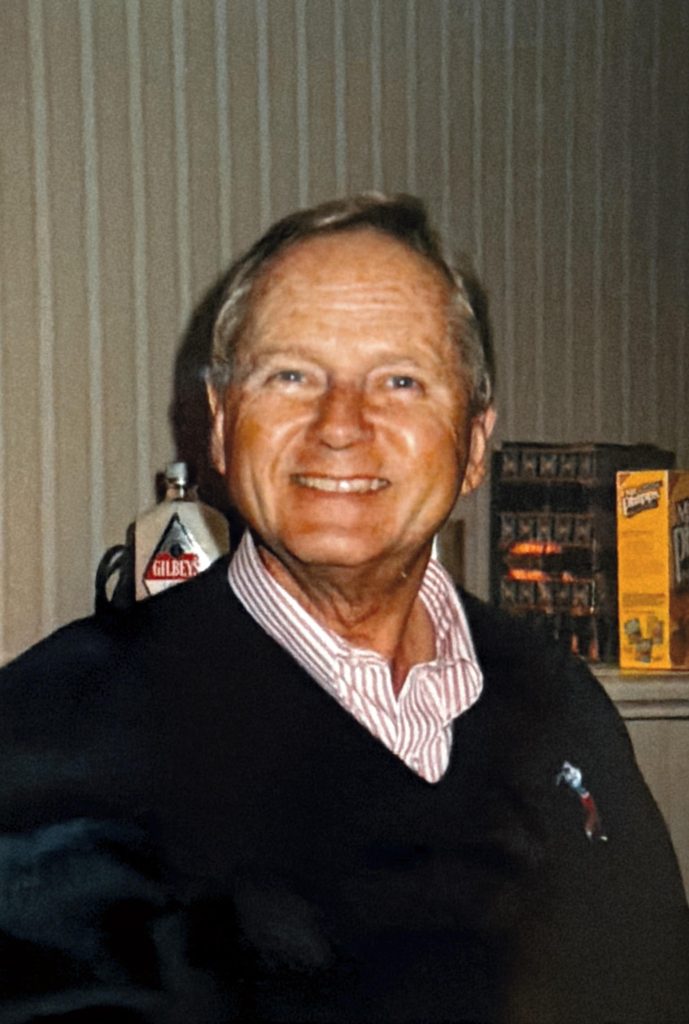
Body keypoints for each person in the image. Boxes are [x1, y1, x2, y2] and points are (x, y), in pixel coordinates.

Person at [0, 194, 687, 1023]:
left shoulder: (555, 702)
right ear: (219, 427)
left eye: (400, 381)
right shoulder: (54, 729)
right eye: (290, 375)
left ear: (473, 445)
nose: (340, 425)